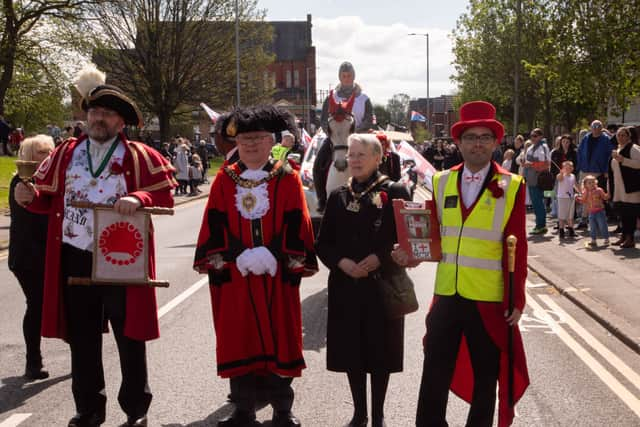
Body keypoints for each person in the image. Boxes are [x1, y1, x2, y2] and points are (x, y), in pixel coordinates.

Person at [14, 65, 176, 427]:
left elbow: (165, 190)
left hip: (121, 255)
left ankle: (136, 409)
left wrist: (138, 198)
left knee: (128, 335)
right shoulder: (65, 153)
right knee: (82, 338)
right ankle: (88, 409)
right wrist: (29, 195)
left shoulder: (137, 154)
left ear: (121, 122)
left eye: (107, 113)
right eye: (94, 112)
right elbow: (45, 197)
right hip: (74, 254)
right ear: (86, 116)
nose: (98, 118)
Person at [394, 101, 529, 427]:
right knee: (434, 371)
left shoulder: (512, 186)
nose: (477, 143)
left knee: (486, 376)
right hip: (447, 296)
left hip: (488, 299)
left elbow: (518, 248)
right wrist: (410, 255)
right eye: (470, 137)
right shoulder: (440, 182)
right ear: (459, 142)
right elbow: (433, 237)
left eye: (485, 137)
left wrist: (517, 298)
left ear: (496, 142)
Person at [193, 105, 318, 427]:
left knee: (280, 337)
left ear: (270, 140)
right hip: (237, 276)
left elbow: (298, 224)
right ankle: (244, 410)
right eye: (245, 139)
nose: (251, 145)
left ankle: (282, 411)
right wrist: (238, 255)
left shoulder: (287, 178)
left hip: (276, 276)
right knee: (239, 337)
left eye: (258, 139)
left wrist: (273, 255)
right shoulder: (224, 180)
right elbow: (214, 223)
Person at [315, 133, 411, 427]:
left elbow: (406, 239)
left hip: (382, 284)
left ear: (378, 157)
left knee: (380, 351)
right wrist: (341, 263)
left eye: (360, 155)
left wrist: (381, 257)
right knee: (351, 350)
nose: (353, 160)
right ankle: (359, 412)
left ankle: (378, 414)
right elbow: (323, 243)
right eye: (351, 155)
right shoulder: (338, 195)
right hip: (346, 285)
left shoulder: (395, 191)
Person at [9, 134, 55, 380]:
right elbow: (37, 221)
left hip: (48, 254)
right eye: (41, 152)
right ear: (28, 156)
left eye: (50, 150)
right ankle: (32, 362)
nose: (48, 155)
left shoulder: (50, 181)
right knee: (36, 305)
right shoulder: (23, 182)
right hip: (28, 257)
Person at [576, 120, 615, 229]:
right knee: (584, 194)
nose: (596, 129)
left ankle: (593, 219)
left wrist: (606, 170)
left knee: (595, 196)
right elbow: (579, 152)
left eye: (598, 127)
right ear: (591, 128)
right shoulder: (586, 138)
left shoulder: (606, 140)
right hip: (585, 169)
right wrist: (579, 166)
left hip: (597, 171)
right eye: (594, 127)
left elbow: (609, 155)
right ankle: (584, 219)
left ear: (601, 128)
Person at [609, 126, 640, 248]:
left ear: (628, 136)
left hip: (630, 188)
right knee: (622, 213)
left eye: (623, 135)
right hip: (619, 188)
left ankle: (630, 238)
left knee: (630, 213)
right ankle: (623, 236)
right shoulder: (617, 149)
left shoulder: (634, 148)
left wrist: (623, 160)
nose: (620, 137)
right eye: (618, 135)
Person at [320, 61, 373, 134]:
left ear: (354, 76)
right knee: (320, 145)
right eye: (344, 76)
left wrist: (354, 132)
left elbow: (368, 120)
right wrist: (332, 133)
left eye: (349, 75)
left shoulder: (364, 99)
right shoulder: (331, 98)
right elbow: (324, 120)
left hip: (358, 137)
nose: (346, 79)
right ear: (340, 77)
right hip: (335, 139)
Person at [522, 128, 550, 234]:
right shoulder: (531, 147)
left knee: (538, 202)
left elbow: (546, 164)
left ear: (540, 136)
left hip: (538, 178)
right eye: (531, 136)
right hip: (531, 178)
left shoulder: (543, 147)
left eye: (535, 136)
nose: (532, 138)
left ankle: (541, 225)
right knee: (536, 202)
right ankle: (540, 224)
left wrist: (531, 164)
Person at [577, 175, 610, 247]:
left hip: (600, 211)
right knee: (592, 227)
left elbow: (605, 197)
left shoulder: (599, 190)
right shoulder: (585, 192)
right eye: (589, 183)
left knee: (602, 225)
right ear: (585, 185)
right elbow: (583, 200)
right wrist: (577, 198)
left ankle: (606, 238)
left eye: (593, 182)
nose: (592, 184)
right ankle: (593, 240)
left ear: (596, 183)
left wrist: (608, 194)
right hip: (591, 212)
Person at [555, 160, 578, 239]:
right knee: (562, 215)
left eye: (570, 167)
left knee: (570, 215)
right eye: (566, 167)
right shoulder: (561, 175)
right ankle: (561, 231)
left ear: (572, 168)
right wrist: (561, 173)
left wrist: (580, 192)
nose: (568, 168)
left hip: (570, 197)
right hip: (562, 198)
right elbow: (559, 178)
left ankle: (571, 231)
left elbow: (575, 185)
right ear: (563, 168)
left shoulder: (573, 176)